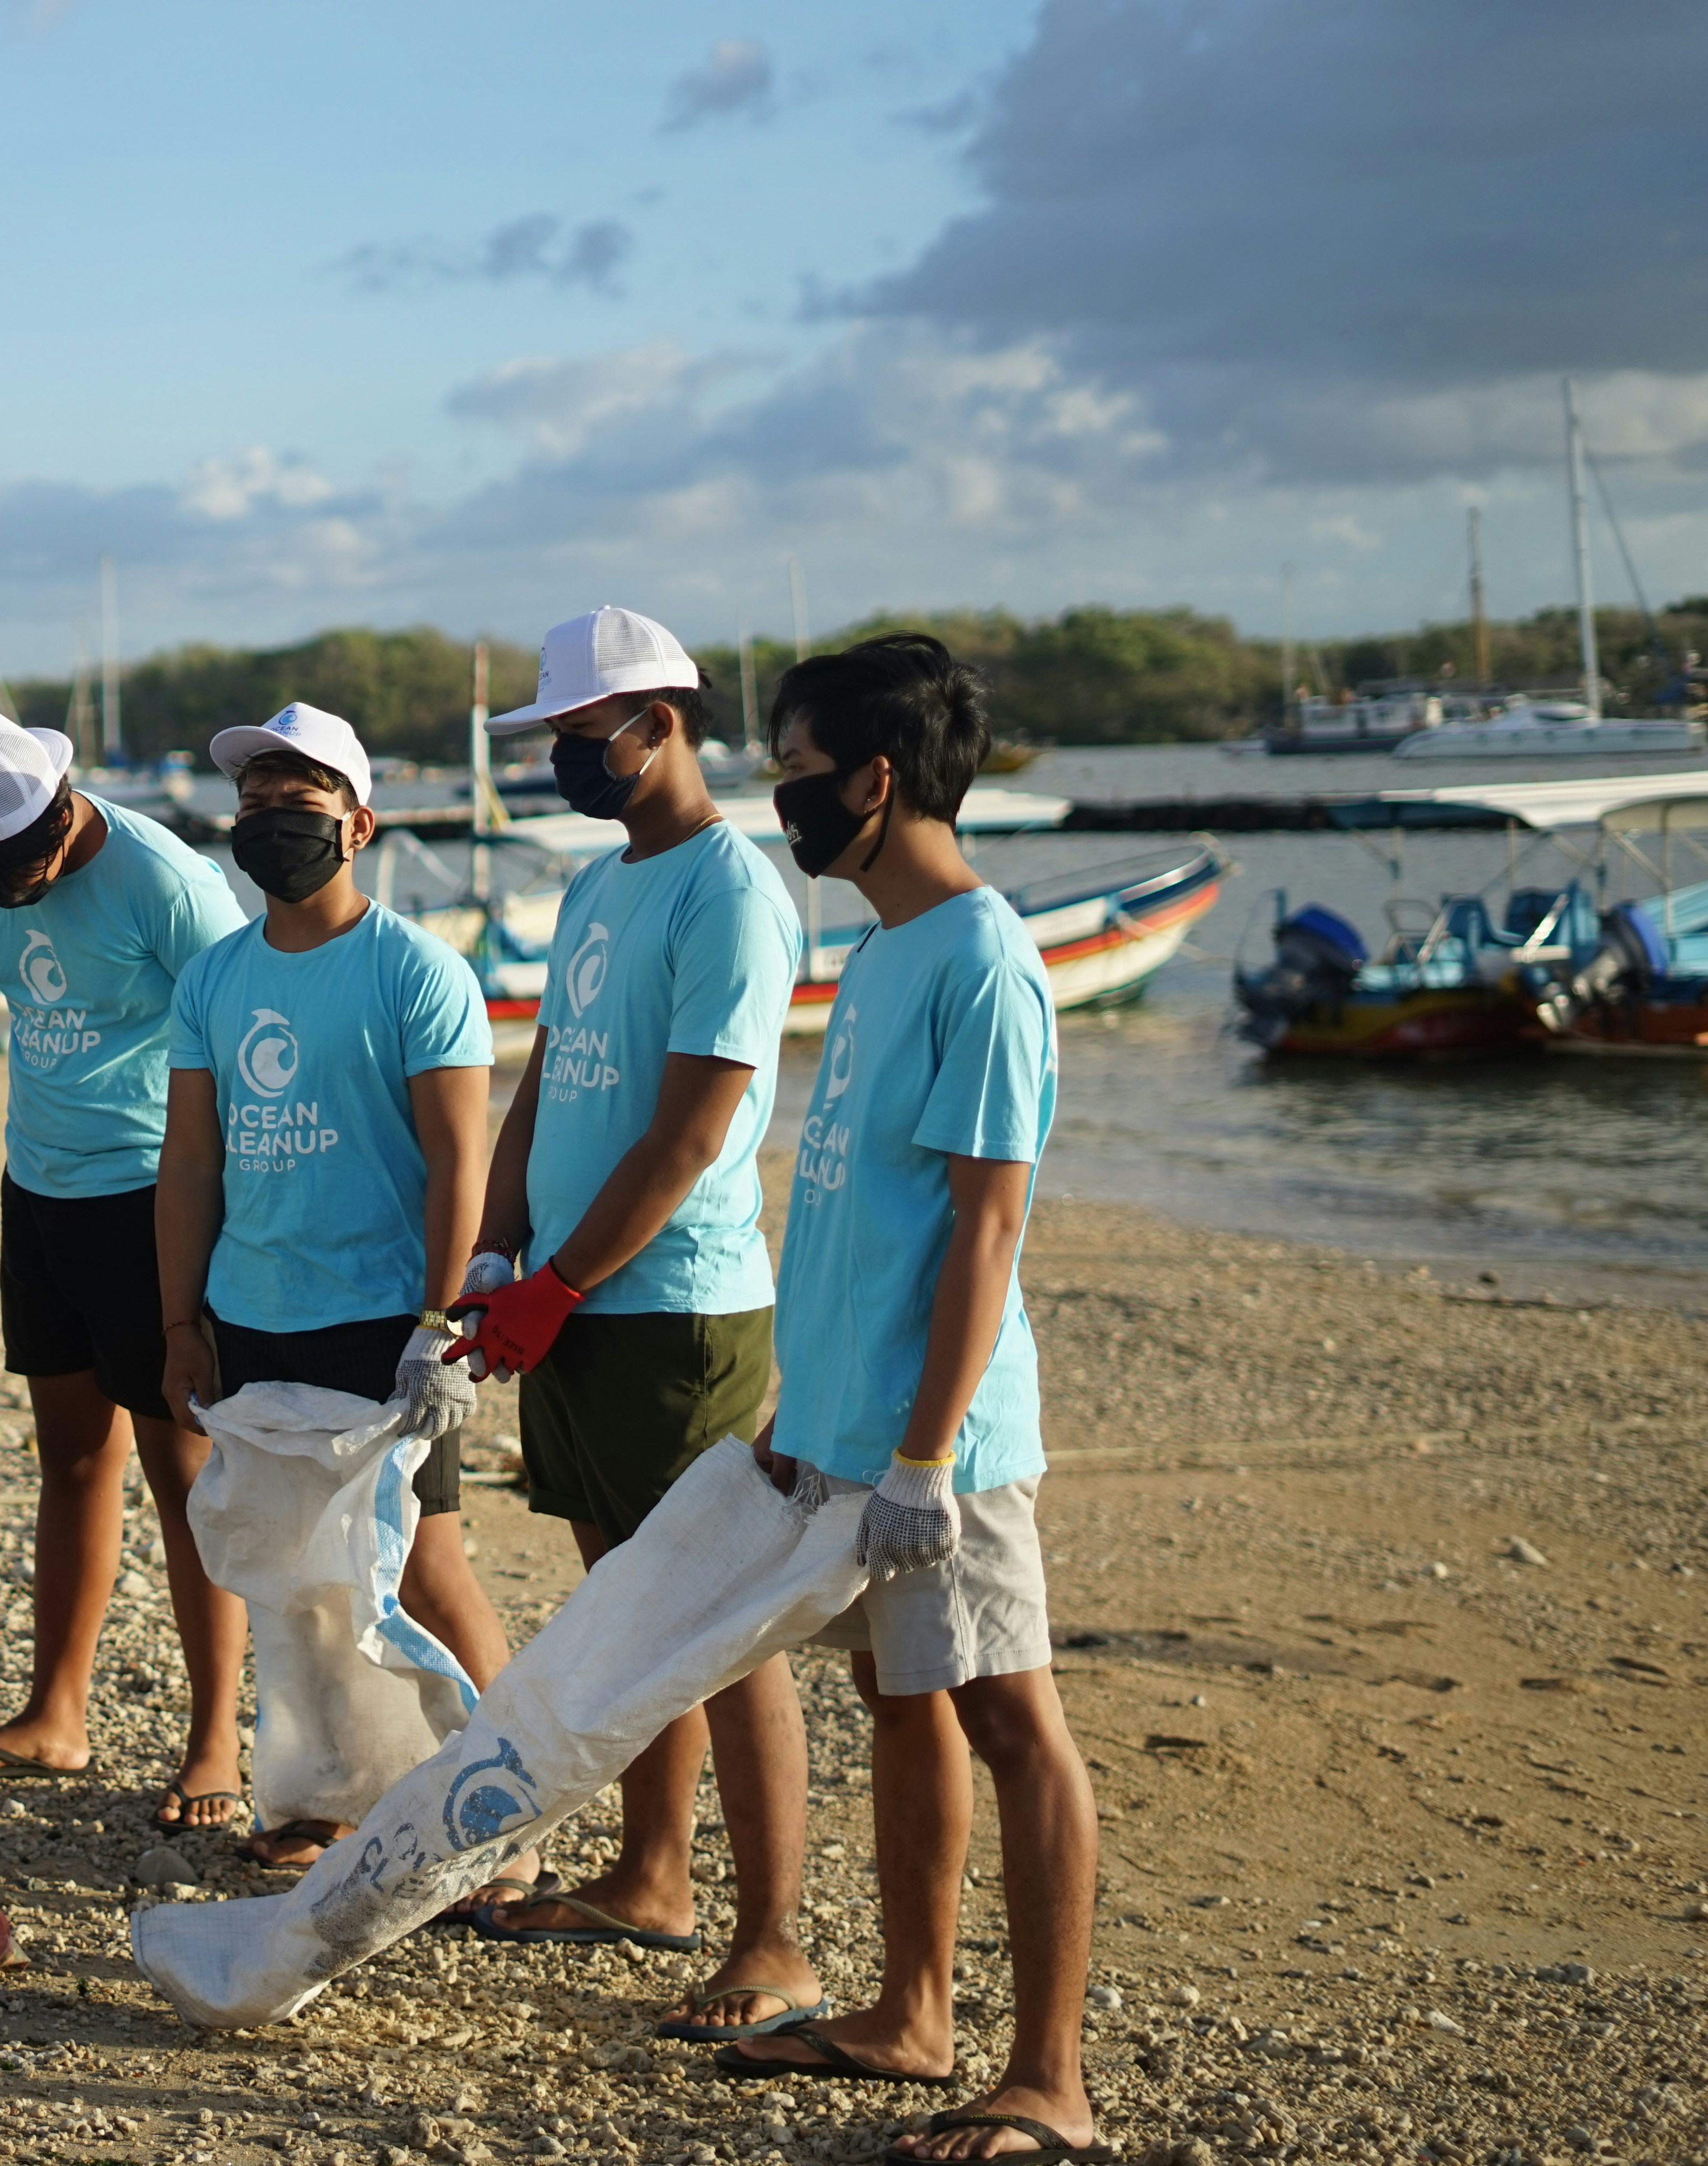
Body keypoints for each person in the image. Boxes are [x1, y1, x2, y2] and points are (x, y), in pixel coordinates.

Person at [715, 634, 1099, 2166]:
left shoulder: (984, 960)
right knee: (898, 1699)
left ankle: (1051, 2081)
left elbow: (988, 1228)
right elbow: (857, 1208)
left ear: (878, 779)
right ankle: (912, 2013)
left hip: (948, 1441)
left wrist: (928, 1453)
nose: (785, 799)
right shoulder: (883, 950)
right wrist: (804, 1406)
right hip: (854, 1419)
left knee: (1012, 1716)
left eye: (799, 772)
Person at [447, 609, 824, 2039]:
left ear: (659, 724)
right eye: (551, 738)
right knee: (627, 1601)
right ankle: (651, 1875)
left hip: (674, 1307)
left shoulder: (731, 890)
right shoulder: (601, 885)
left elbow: (692, 1129)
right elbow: (547, 1077)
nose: (561, 759)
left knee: (722, 1622)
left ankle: (774, 1939)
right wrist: (498, 1250)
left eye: (578, 735)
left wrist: (561, 1282)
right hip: (570, 1293)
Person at [154, 702, 523, 1886]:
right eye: (254, 798)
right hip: (252, 1315)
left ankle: (511, 1813)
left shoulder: (416, 969)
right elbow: (191, 1160)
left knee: (423, 1568)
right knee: (300, 1581)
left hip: (384, 1321)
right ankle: (328, 1796)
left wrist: (440, 1326)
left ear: (358, 824)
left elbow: (460, 1162)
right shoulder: (214, 976)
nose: (271, 816)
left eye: (298, 797)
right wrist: (180, 1320)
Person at [0, 713, 253, 1828]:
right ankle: (55, 1713)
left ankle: (215, 1742)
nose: (6, 896)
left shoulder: (167, 882)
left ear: (58, 816)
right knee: (69, 1457)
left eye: (17, 873)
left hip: (151, 1197)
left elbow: (247, 1038)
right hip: (39, 1186)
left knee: (186, 1474)